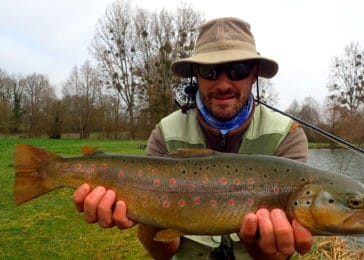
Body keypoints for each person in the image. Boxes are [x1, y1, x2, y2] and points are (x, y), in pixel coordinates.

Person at [73, 17, 313, 259]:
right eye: (210, 71)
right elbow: (162, 251)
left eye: (237, 70)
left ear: (254, 74)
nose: (223, 84)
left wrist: (260, 245)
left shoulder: (287, 135)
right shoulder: (166, 133)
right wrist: (147, 221)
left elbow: (280, 255)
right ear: (195, 75)